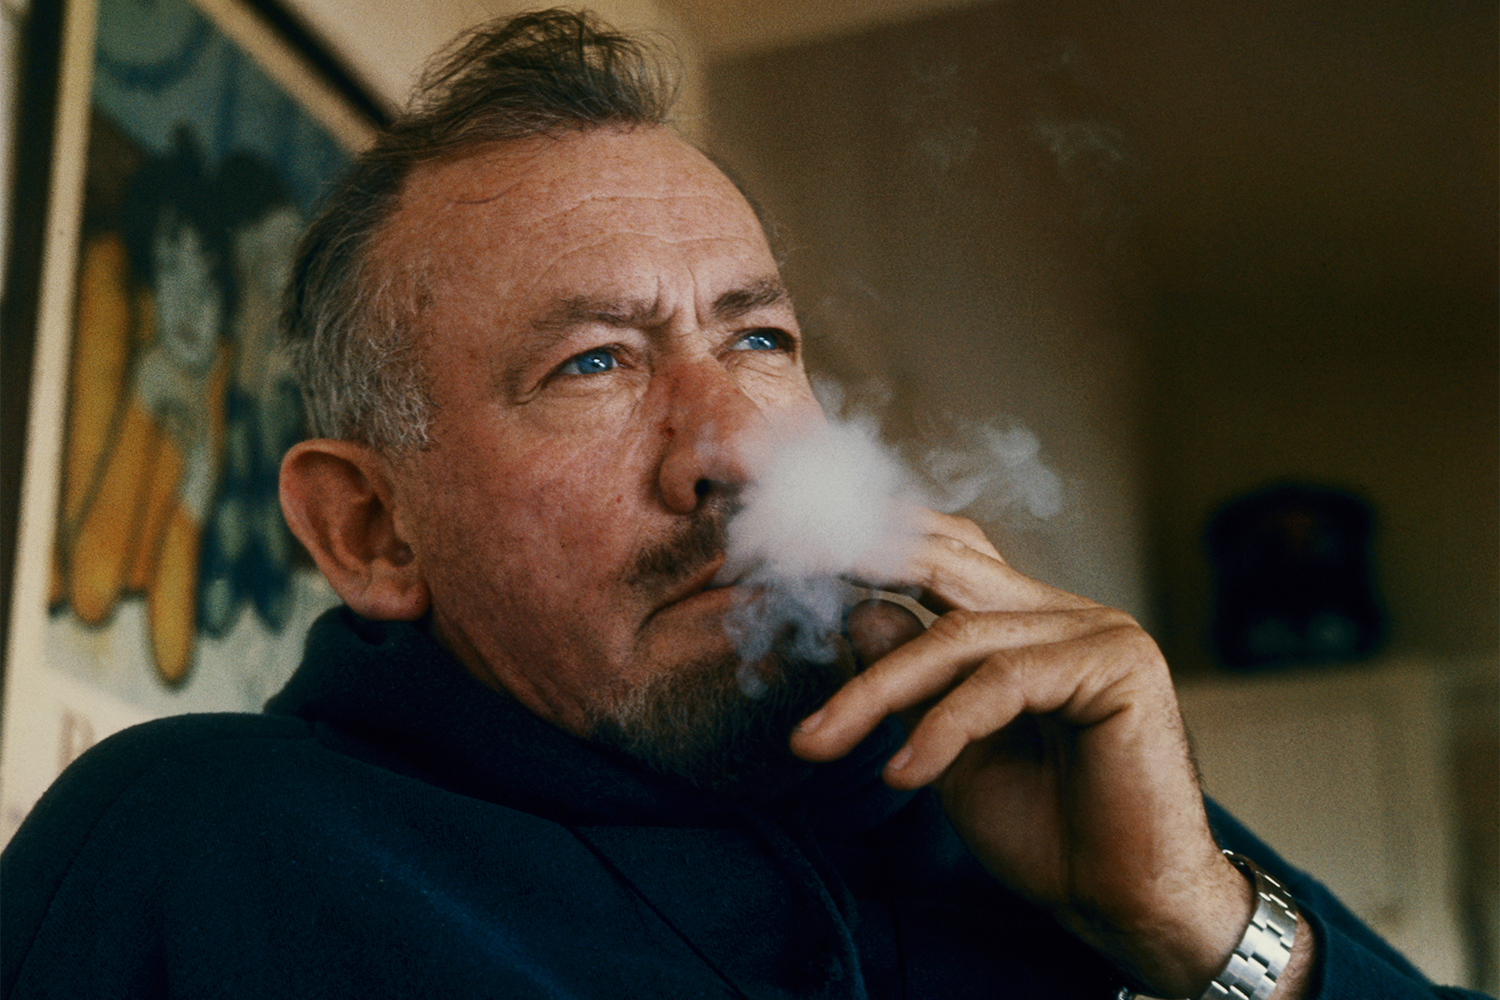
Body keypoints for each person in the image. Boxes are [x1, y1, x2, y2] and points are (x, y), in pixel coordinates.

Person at [1, 11, 1485, 1000]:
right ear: (370, 533)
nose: (731, 449)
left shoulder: (1023, 795)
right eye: (592, 362)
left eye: (759, 339)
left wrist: (1199, 921)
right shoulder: (196, 857)